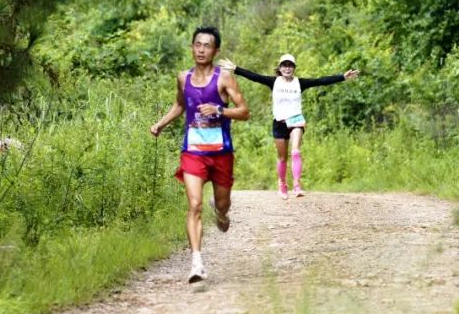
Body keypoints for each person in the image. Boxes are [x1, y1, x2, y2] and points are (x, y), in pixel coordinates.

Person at [150, 26, 250, 283]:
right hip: (192, 151)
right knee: (193, 205)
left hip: (221, 152)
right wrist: (161, 123)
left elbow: (244, 111)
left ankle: (220, 211)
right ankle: (196, 262)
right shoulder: (183, 78)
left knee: (223, 203)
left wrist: (219, 110)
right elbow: (180, 105)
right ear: (192, 47)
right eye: (198, 44)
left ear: (216, 50)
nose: (201, 49)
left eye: (207, 46)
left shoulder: (224, 78)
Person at [219, 54, 358, 198]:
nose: (287, 68)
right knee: (282, 158)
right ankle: (282, 184)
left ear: (294, 68)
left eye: (290, 65)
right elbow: (254, 76)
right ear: (280, 68)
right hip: (279, 122)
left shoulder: (300, 83)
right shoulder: (274, 82)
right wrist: (236, 69)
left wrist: (343, 76)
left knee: (295, 151)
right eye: (284, 65)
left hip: (296, 121)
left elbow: (321, 81)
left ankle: (297, 185)